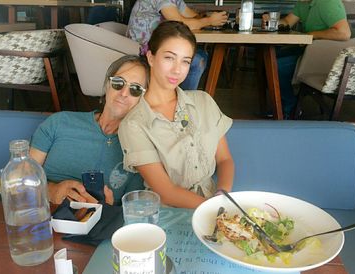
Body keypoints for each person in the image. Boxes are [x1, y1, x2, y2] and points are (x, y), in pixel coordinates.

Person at [119, 21, 234, 209]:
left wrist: (222, 196)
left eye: (185, 61)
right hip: (168, 214)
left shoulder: (203, 101)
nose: (177, 70)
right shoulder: (135, 123)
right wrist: (213, 209)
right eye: (169, 58)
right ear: (150, 57)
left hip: (214, 204)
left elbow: (225, 159)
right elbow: (167, 192)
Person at [29, 55, 149, 205]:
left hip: (100, 226)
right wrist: (51, 191)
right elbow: (20, 181)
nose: (124, 93)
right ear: (107, 85)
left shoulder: (140, 151)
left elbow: (133, 211)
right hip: (39, 218)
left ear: (144, 99)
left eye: (135, 89)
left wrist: (109, 210)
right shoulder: (60, 122)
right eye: (118, 83)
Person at [262, 0, 351, 119]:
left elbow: (344, 33)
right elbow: (288, 22)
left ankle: (289, 108)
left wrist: (311, 34)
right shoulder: (303, 3)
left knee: (277, 66)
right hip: (308, 50)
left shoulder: (328, 2)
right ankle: (281, 105)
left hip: (324, 56)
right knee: (269, 57)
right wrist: (272, 22)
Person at [127, 0, 228, 90]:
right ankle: (183, 103)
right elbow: (178, 22)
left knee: (202, 55)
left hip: (160, 46)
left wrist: (207, 16)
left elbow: (190, 15)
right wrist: (209, 21)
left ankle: (178, 96)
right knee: (197, 61)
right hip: (144, 51)